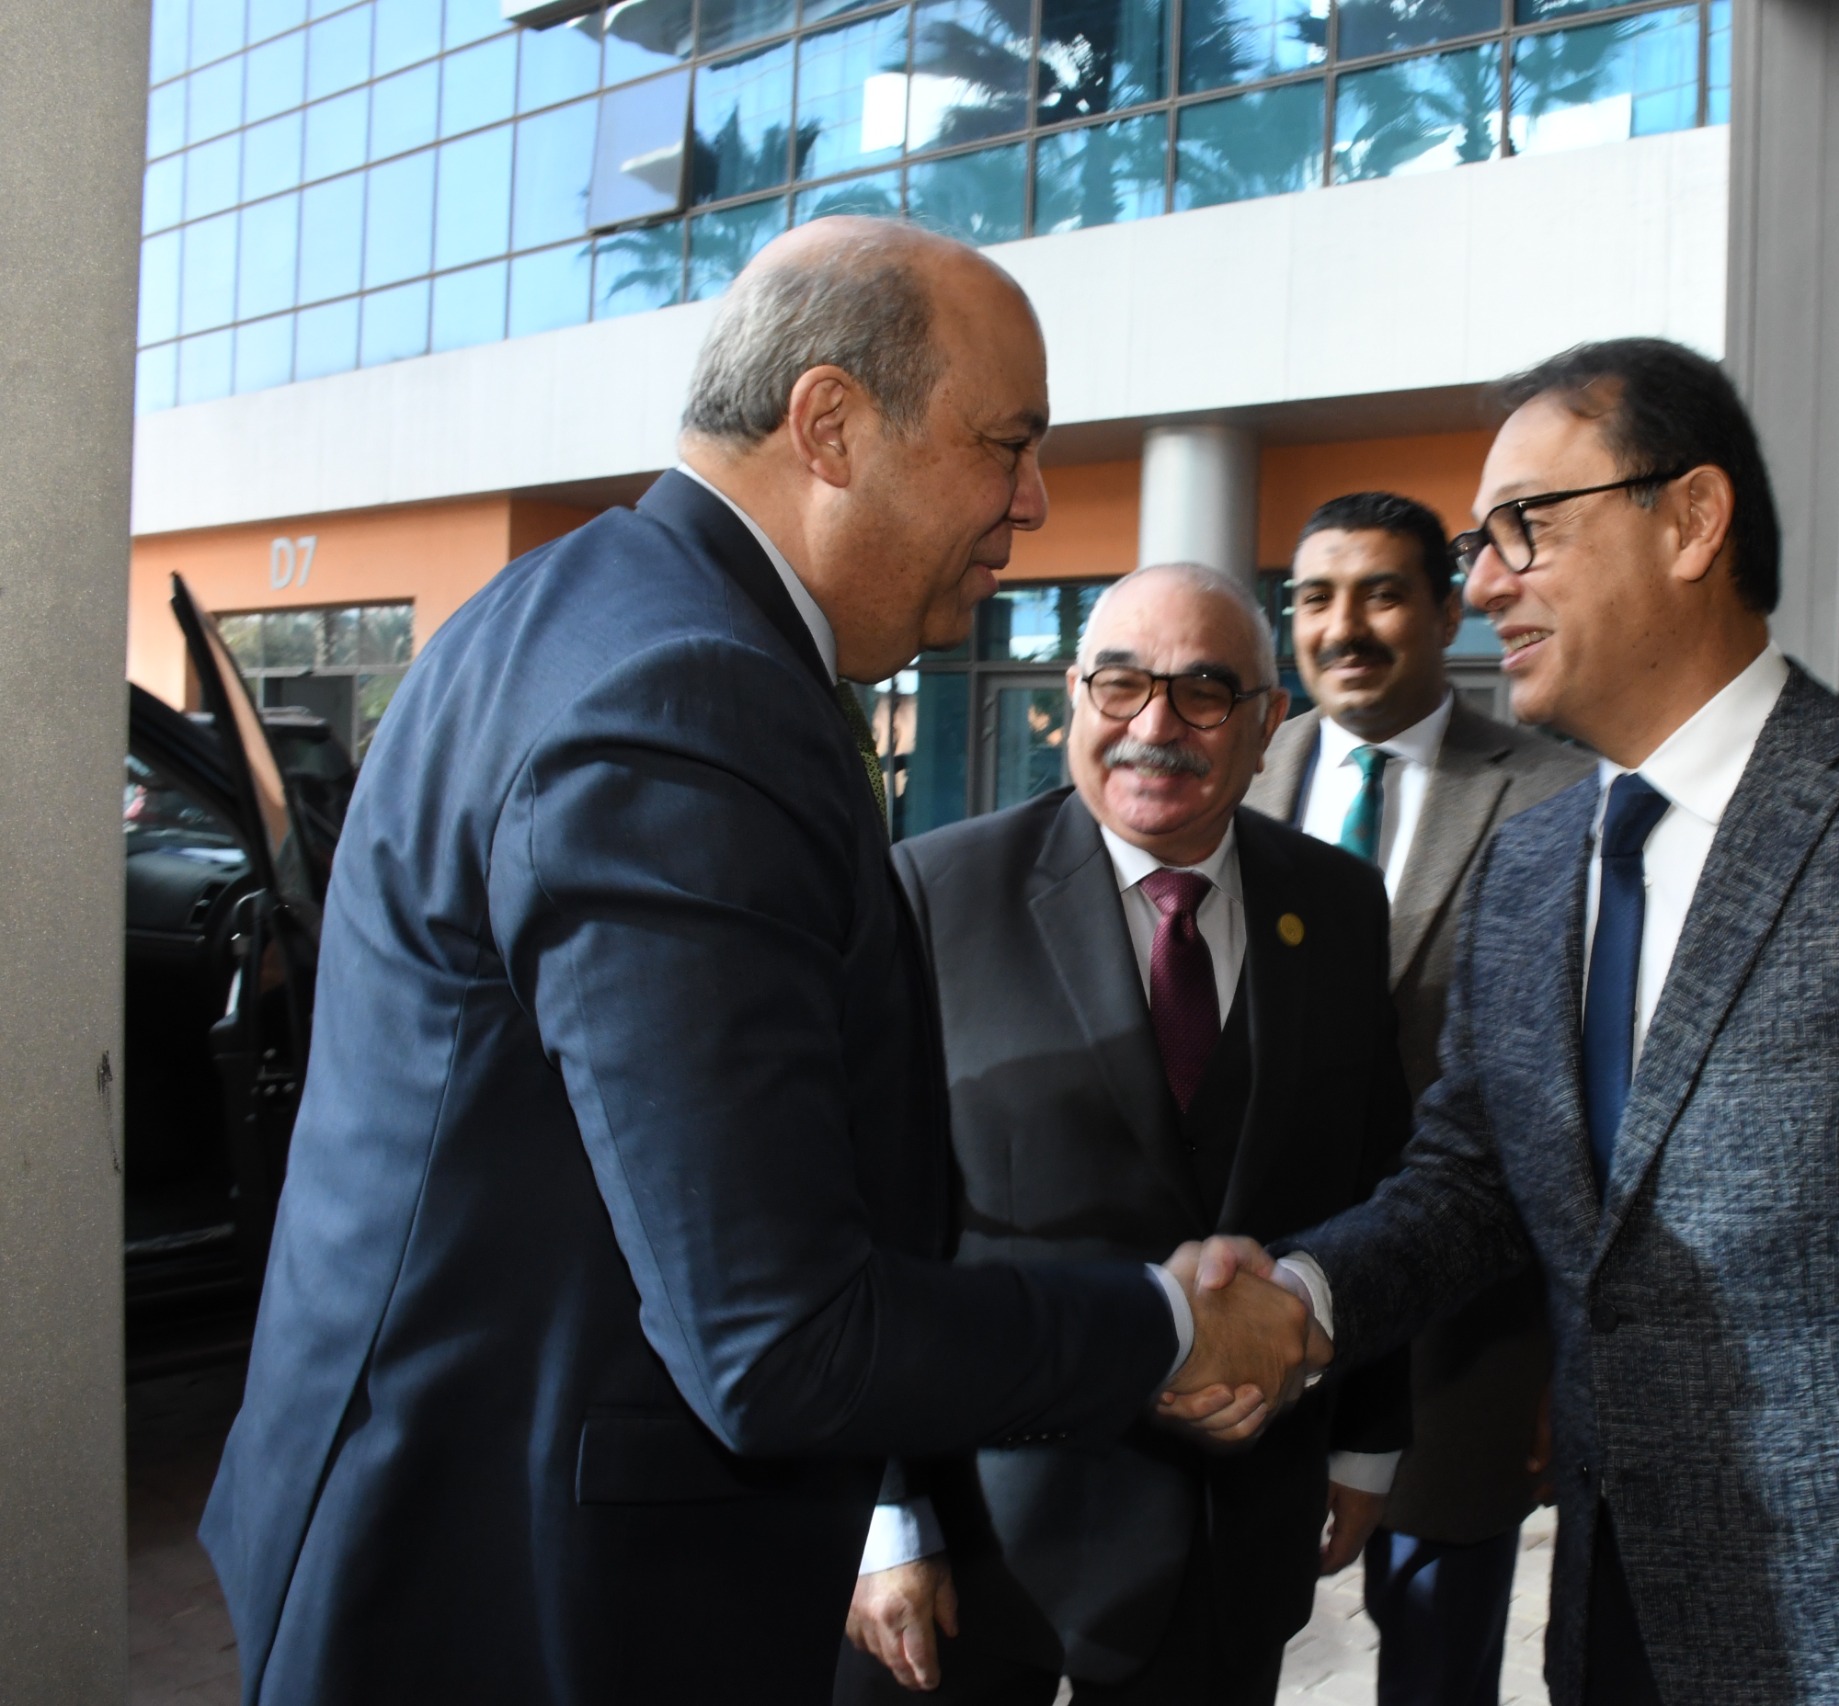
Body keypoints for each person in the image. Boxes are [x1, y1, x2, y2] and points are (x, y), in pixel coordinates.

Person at [198, 220, 1313, 1706]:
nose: (1034, 501)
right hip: (516, 1601)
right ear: (831, 425)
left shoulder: (580, 607)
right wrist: (1168, 1325)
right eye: (1007, 444)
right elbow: (777, 1336)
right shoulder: (687, 697)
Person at [1187, 337, 1839, 1705]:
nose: (1485, 584)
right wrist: (1301, 1298)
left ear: (1693, 518)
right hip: (1610, 1628)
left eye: (1526, 525)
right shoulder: (1535, 865)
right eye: (1478, 543)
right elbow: (1472, 1178)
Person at [838, 562, 1413, 1706]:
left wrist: (1365, 1436)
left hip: (1230, 1534)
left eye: (1204, 691)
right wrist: (884, 1514)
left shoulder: (1338, 904)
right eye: (1120, 683)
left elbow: (1374, 1177)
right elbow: (863, 1218)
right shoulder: (931, 892)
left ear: (1268, 722)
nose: (1156, 726)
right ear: (1073, 696)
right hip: (977, 1538)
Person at [1244, 493, 1591, 1706]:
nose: (1343, 626)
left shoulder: (1559, 794)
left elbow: (1572, 1103)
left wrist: (1560, 1352)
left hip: (1464, 1334)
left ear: (1449, 613)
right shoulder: (1236, 768)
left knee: (1438, 1661)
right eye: (1314, 597)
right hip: (1259, 1303)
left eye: (1382, 593)